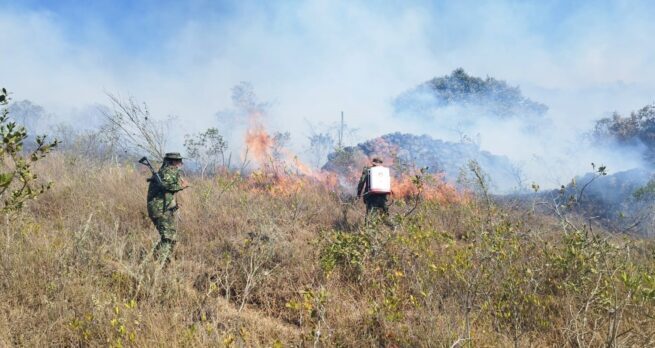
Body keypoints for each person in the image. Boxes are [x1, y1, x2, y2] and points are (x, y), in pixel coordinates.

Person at [147, 152, 189, 264]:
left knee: (171, 237)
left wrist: (174, 206)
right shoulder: (168, 171)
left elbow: (165, 190)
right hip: (161, 209)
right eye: (178, 161)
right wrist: (182, 186)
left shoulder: (166, 171)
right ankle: (158, 262)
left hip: (162, 209)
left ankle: (159, 260)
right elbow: (166, 187)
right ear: (173, 162)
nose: (180, 163)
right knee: (168, 237)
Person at [356, 157, 390, 223]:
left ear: (373, 163)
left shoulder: (368, 169)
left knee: (370, 217)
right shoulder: (384, 171)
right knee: (385, 217)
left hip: (371, 197)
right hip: (383, 197)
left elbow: (361, 181)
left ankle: (368, 231)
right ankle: (393, 229)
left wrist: (358, 193)